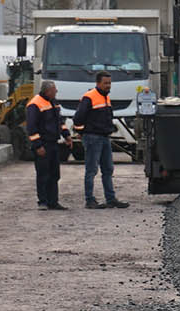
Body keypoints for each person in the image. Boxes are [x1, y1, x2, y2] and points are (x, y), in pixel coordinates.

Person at [76, 73, 127, 208]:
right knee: (92, 170)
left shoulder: (105, 97)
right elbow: (78, 118)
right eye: (105, 83)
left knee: (108, 169)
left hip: (104, 137)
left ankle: (110, 199)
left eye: (109, 83)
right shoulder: (89, 97)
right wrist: (82, 133)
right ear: (98, 83)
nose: (108, 86)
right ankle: (90, 200)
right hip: (93, 138)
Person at [25, 79, 66, 210]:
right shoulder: (35, 104)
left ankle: (53, 201)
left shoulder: (54, 103)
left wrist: (67, 135)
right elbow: (31, 127)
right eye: (54, 90)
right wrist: (38, 145)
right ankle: (43, 201)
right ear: (48, 91)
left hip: (53, 143)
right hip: (43, 144)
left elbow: (60, 121)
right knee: (43, 174)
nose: (57, 91)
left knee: (55, 174)